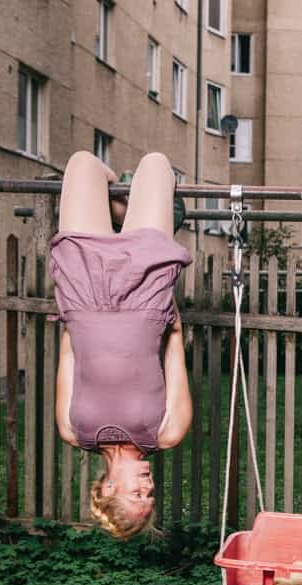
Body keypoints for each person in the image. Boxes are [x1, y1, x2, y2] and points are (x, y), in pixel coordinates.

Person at [52, 151, 193, 538]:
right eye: (151, 495)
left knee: (82, 162)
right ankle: (127, 214)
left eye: (137, 494)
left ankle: (117, 210)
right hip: (143, 294)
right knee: (156, 164)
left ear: (108, 488)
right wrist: (161, 297)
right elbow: (175, 343)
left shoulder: (72, 429)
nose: (148, 488)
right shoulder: (166, 432)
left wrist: (72, 299)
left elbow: (69, 350)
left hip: (84, 287)